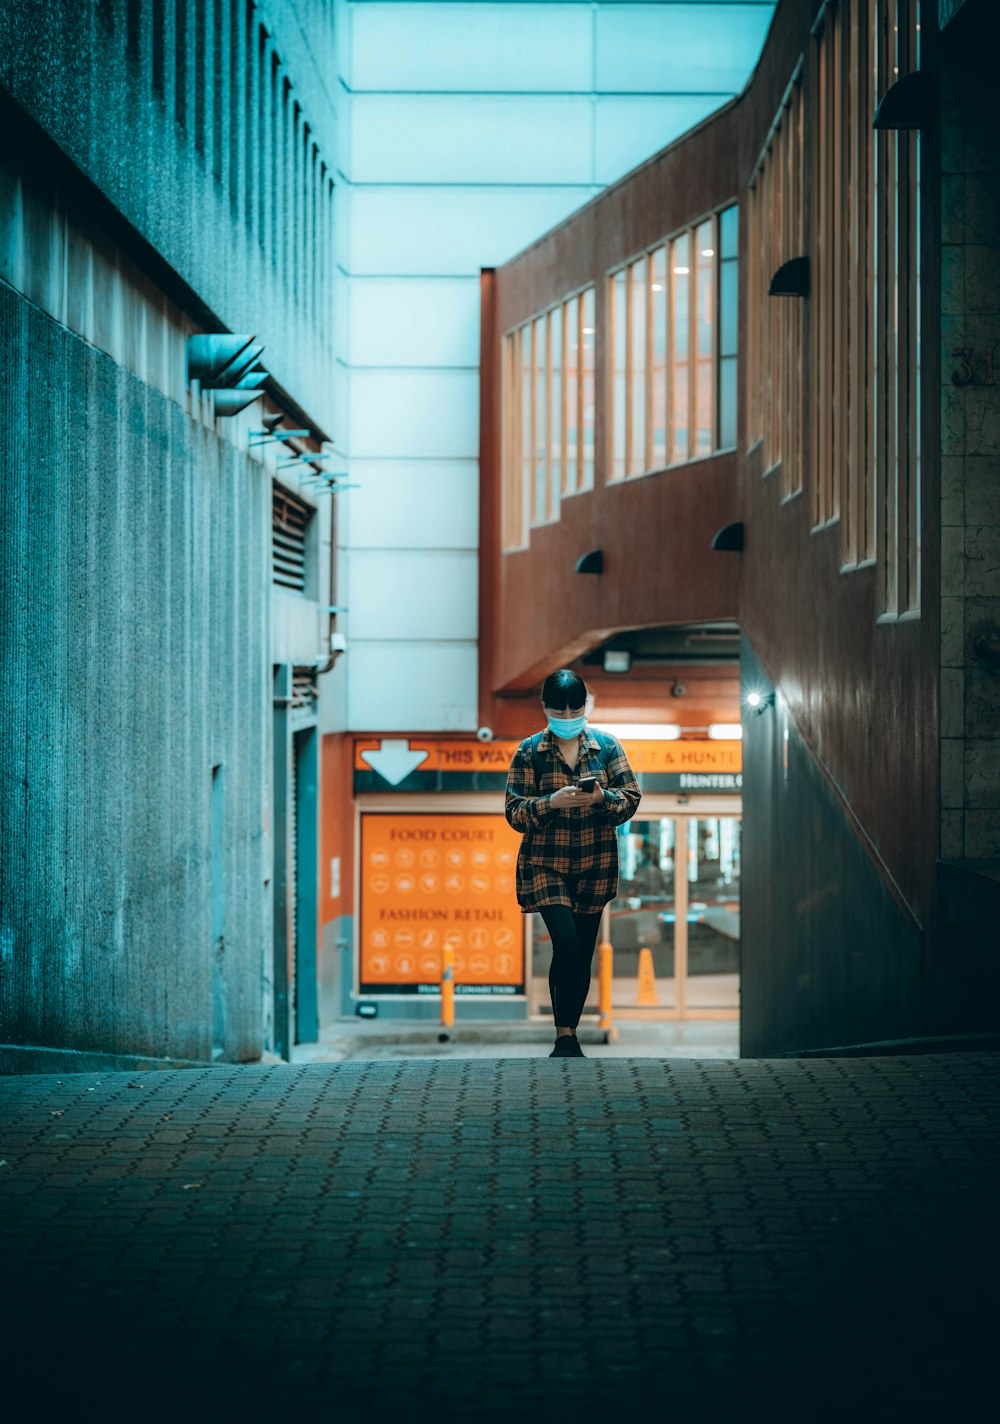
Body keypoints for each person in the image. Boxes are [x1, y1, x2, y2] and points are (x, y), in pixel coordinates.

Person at [504, 669, 641, 1057]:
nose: (567, 718)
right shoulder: (529, 751)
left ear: (585, 707)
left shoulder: (607, 746)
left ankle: (570, 1035)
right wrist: (552, 802)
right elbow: (514, 812)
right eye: (559, 712)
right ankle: (562, 1036)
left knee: (582, 950)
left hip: (595, 864)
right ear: (545, 708)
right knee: (564, 943)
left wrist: (600, 799)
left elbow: (631, 797)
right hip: (545, 863)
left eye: (574, 710)